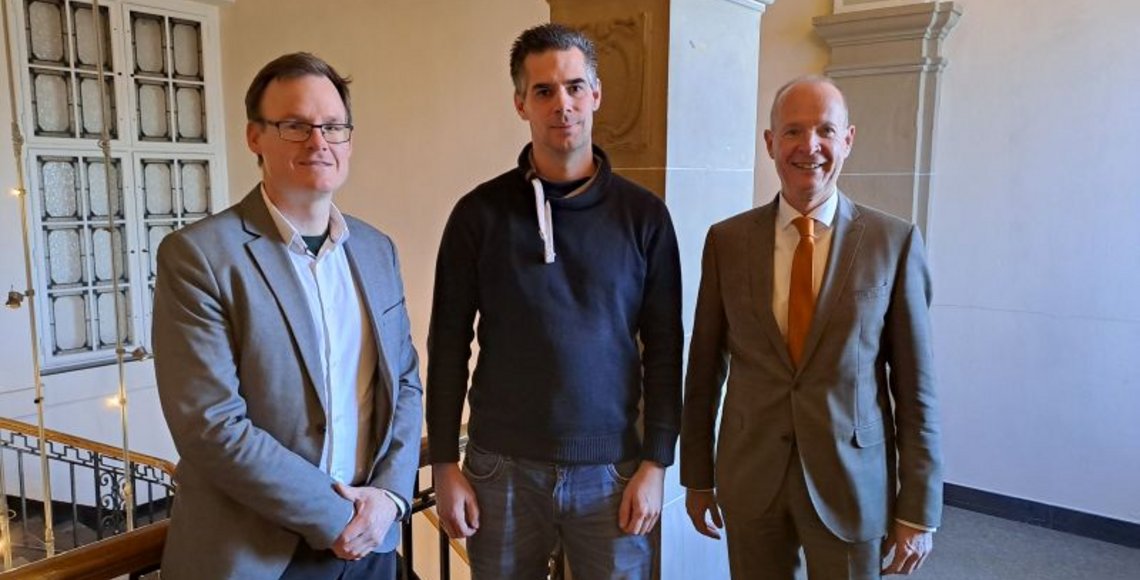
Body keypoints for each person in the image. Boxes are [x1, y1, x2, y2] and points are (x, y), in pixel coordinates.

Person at [426, 23, 683, 580]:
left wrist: (657, 463)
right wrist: (444, 462)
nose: (561, 104)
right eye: (543, 91)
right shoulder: (478, 215)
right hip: (500, 470)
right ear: (521, 103)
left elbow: (665, 348)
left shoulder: (644, 217)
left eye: (574, 87)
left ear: (596, 94)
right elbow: (447, 344)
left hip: (612, 470)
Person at [152, 52, 423, 580]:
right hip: (256, 555)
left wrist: (389, 498)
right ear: (255, 137)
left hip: (373, 545)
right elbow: (211, 424)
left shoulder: (376, 250)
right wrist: (338, 518)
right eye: (295, 125)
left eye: (333, 126)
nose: (319, 142)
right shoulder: (199, 256)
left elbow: (405, 383)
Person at [680, 76, 943, 579]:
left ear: (848, 140)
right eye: (793, 131)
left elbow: (916, 389)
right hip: (751, 477)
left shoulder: (893, 243)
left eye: (825, 130)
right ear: (770, 142)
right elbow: (705, 370)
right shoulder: (727, 242)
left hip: (851, 484)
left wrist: (919, 507)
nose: (810, 146)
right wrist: (696, 476)